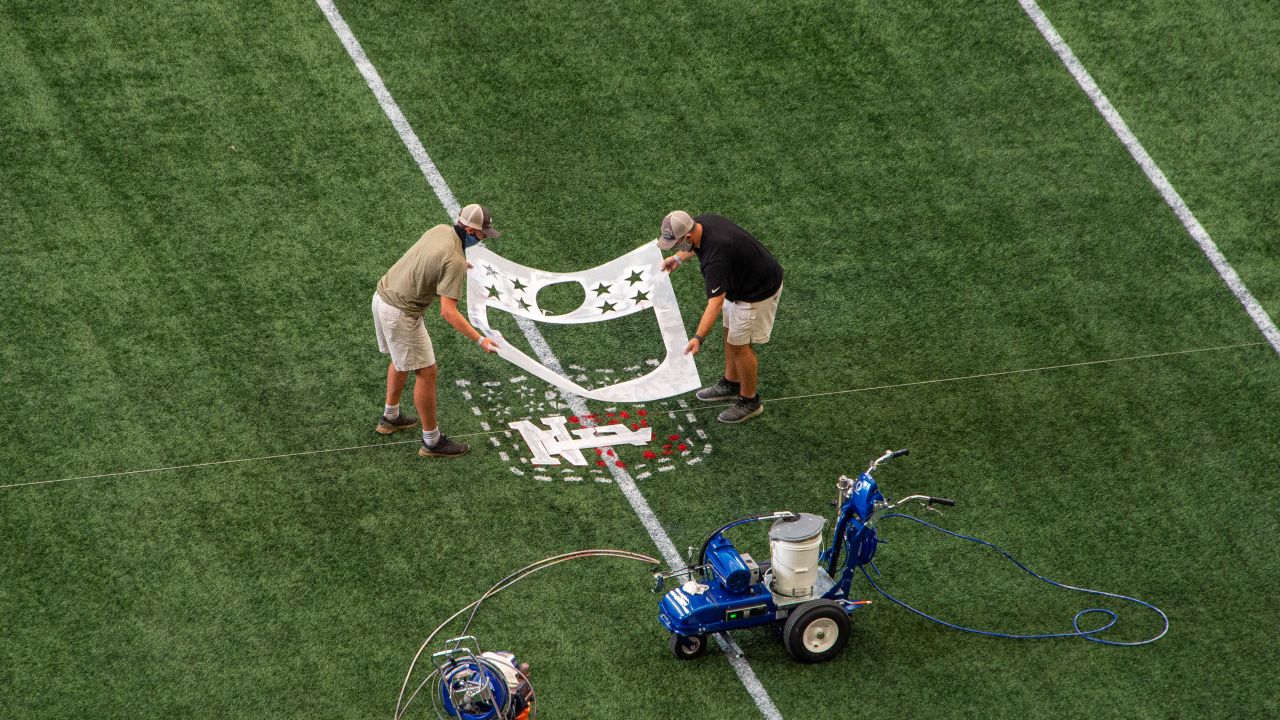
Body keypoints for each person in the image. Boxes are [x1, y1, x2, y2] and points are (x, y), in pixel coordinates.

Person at [373, 204, 501, 457]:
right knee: (427, 371)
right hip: (401, 313)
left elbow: (433, 258)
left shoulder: (440, 230)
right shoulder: (453, 260)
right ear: (468, 229)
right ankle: (432, 441)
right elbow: (448, 312)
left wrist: (459, 264)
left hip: (382, 297)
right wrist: (480, 340)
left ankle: (391, 417)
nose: (484, 237)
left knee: (401, 361)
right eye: (482, 233)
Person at [659, 210, 783, 424]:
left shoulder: (715, 257)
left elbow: (715, 303)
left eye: (677, 244)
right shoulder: (701, 223)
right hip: (741, 284)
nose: (677, 247)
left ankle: (750, 401)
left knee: (739, 346)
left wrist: (698, 338)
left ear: (687, 236)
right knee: (730, 334)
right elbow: (693, 247)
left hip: (756, 292)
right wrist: (678, 258)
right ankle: (731, 383)